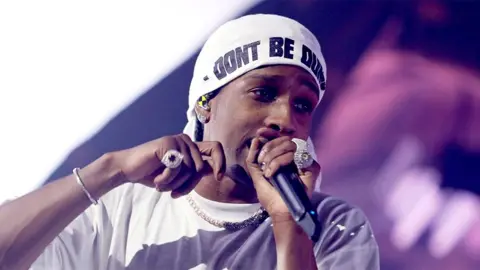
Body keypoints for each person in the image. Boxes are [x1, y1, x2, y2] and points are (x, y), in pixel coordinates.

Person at [0, 14, 379, 270]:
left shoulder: (334, 226)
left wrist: (289, 224)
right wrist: (109, 170)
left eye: (302, 105)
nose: (285, 120)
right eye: (263, 93)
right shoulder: (119, 206)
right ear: (205, 105)